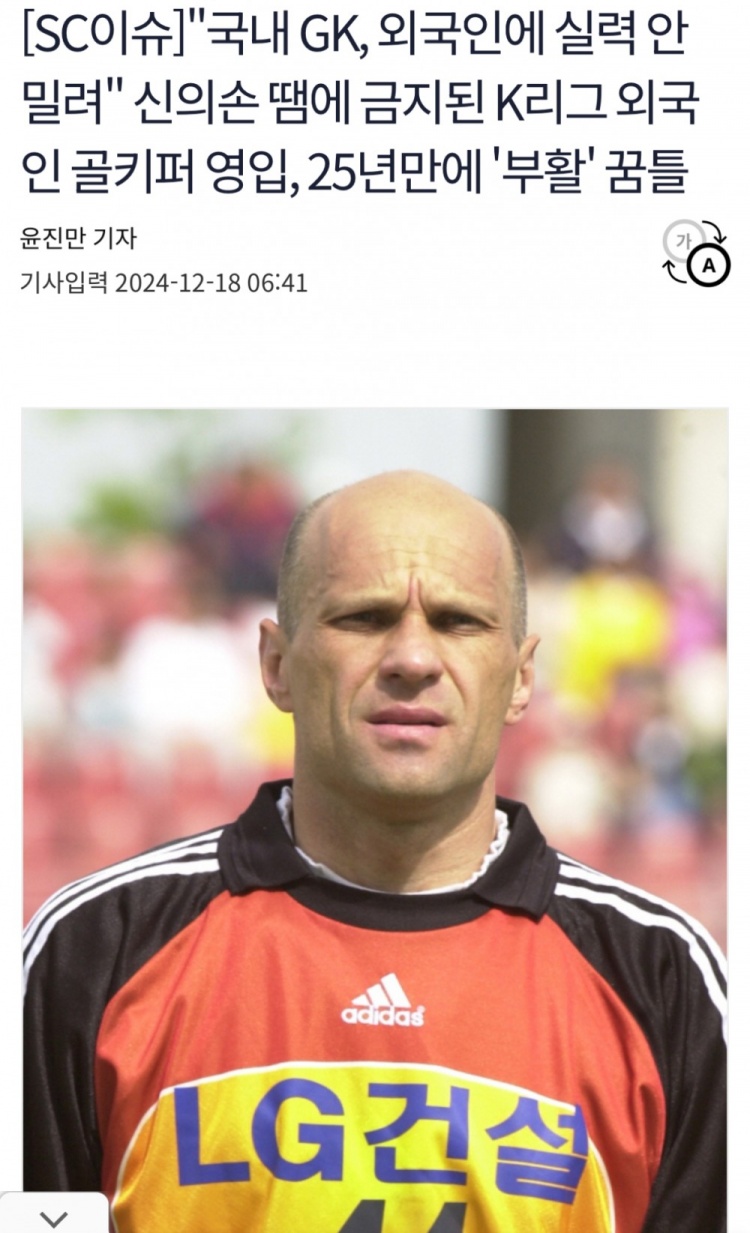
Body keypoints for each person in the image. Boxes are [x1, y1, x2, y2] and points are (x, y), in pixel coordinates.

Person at [24, 471, 726, 1233]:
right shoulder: (94, 948)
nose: (413, 658)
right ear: (277, 664)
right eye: (364, 617)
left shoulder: (661, 974)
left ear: (523, 677)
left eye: (459, 621)